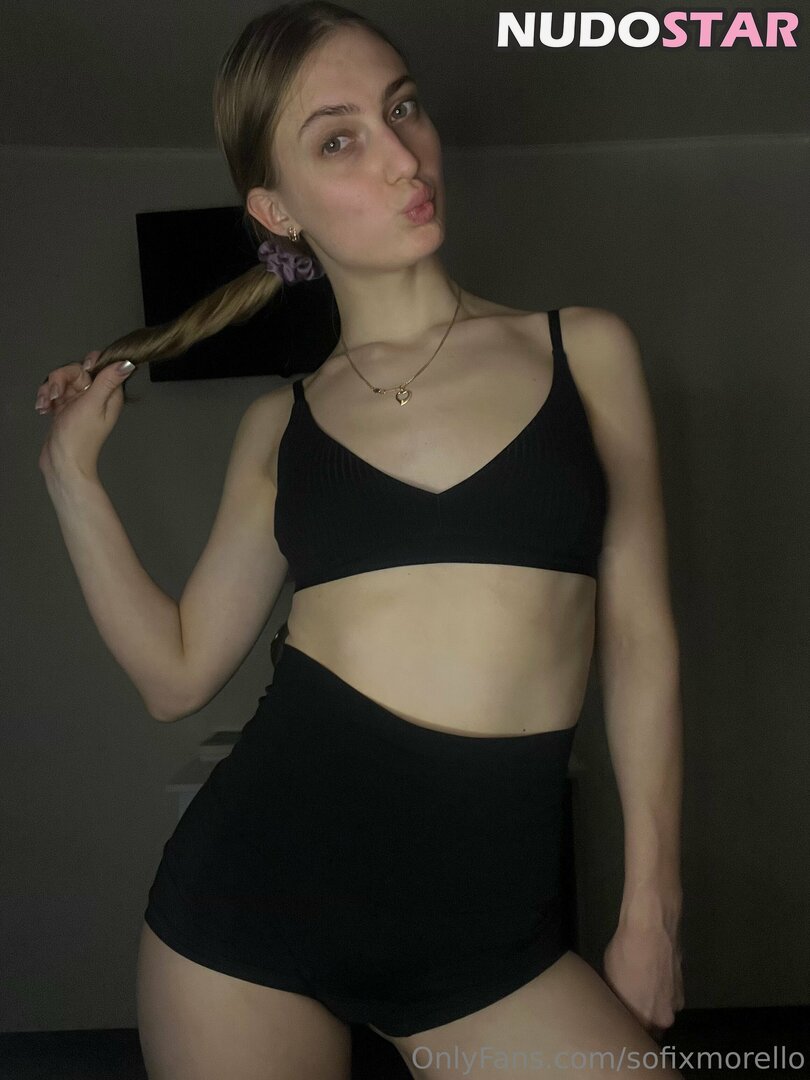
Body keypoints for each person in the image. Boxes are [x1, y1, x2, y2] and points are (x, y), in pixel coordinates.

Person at [35, 3, 685, 1077]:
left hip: (487, 928)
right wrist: (71, 480)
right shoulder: (278, 425)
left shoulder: (583, 352)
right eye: (339, 140)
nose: (402, 156)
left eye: (404, 108)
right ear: (276, 208)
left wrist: (651, 904)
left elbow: (642, 640)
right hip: (248, 903)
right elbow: (175, 674)